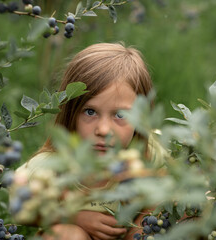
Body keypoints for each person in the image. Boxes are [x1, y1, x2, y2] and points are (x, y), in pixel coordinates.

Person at [16, 42, 159, 240]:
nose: (103, 130)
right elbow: (17, 203)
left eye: (120, 115)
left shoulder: (147, 153)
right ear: (70, 112)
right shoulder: (52, 166)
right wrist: (70, 216)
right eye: (90, 112)